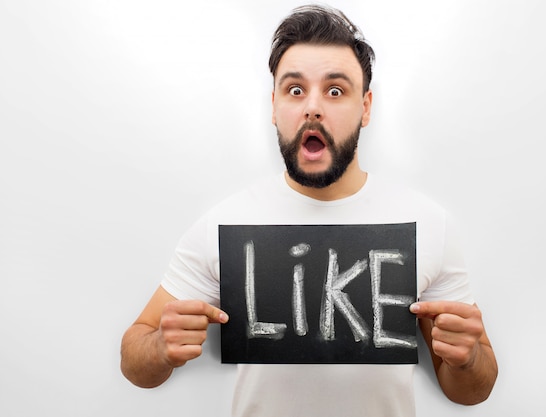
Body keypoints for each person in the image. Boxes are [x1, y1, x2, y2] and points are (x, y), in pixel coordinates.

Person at [121, 4, 498, 416]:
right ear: (274, 106)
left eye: (335, 90)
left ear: (366, 107)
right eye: (295, 90)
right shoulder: (222, 224)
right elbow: (135, 359)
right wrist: (159, 347)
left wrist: (468, 358)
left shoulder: (427, 223)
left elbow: (470, 391)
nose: (312, 107)